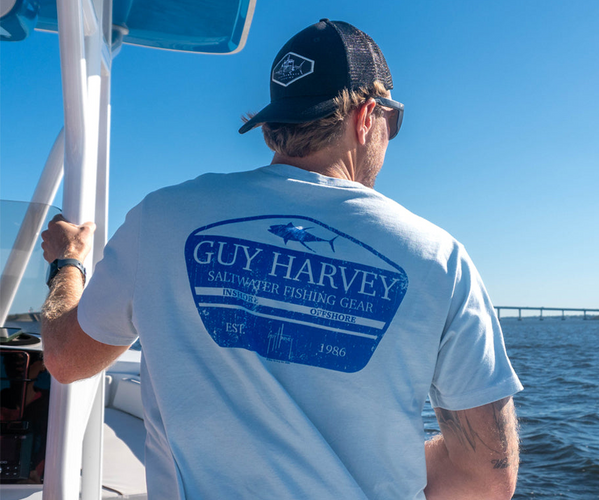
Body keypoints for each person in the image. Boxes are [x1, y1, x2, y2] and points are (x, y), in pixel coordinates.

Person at [41, 19, 523, 499]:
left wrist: (68, 262)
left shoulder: (162, 217)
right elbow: (484, 478)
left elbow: (66, 358)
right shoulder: (441, 260)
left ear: (273, 129)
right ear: (366, 117)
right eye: (391, 123)